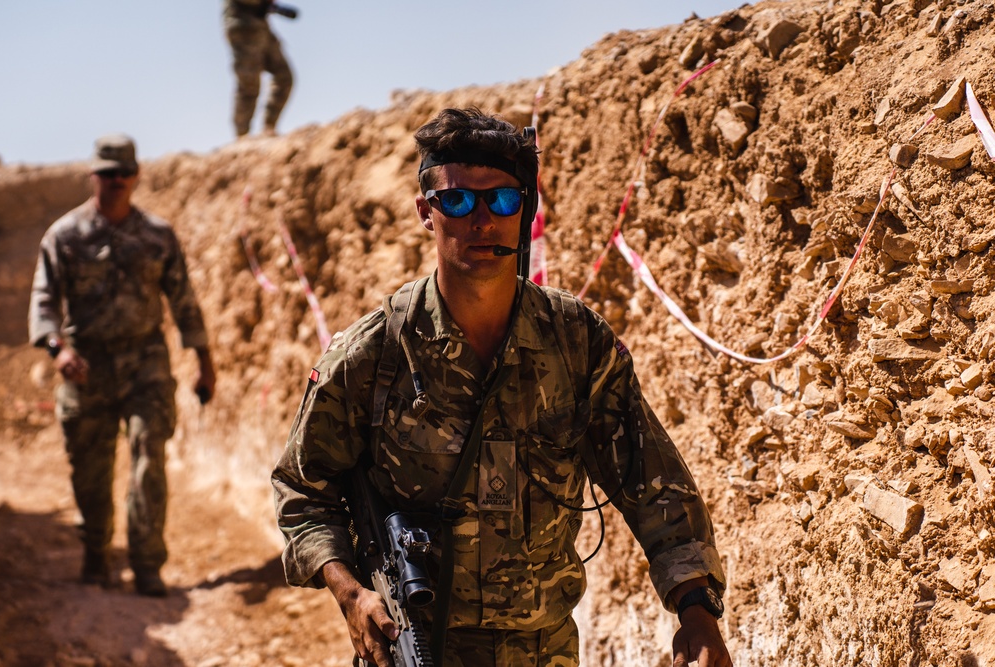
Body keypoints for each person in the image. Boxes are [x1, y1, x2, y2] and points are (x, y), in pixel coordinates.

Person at [272, 108, 732, 666]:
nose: (482, 220)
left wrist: (696, 609)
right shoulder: (374, 354)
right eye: (459, 201)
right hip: (417, 647)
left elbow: (652, 482)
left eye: (504, 201)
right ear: (427, 212)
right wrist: (351, 594)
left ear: (525, 212)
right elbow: (303, 492)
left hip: (547, 652)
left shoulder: (576, 343)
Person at [28, 134, 217, 597]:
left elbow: (184, 302)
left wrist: (204, 361)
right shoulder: (64, 236)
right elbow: (45, 301)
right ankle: (96, 554)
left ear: (135, 176)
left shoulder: (157, 235)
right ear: (92, 176)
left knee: (148, 459)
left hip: (145, 364)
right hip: (84, 365)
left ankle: (147, 564)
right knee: (89, 468)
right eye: (106, 173)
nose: (114, 182)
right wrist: (58, 350)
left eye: (123, 174)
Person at [222, 0, 295, 138]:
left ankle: (268, 128)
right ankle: (242, 138)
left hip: (259, 24)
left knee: (284, 77)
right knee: (249, 85)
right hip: (243, 26)